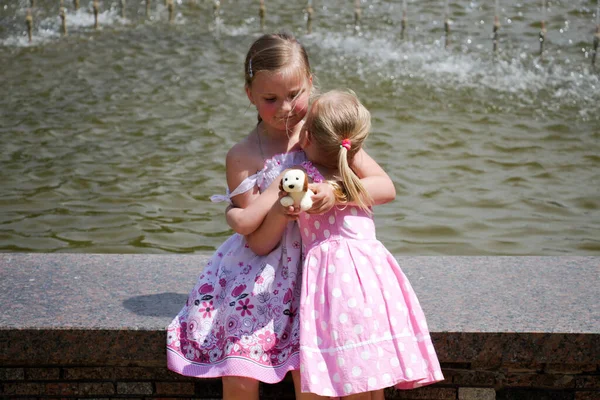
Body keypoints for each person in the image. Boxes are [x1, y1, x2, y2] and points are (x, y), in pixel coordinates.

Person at [166, 34, 396, 400]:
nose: (286, 108)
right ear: (250, 95)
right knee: (240, 358)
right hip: (265, 269)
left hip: (326, 267)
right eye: (271, 99)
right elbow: (256, 242)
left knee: (317, 368)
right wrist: (279, 210)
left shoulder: (325, 132)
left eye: (295, 94)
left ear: (310, 82)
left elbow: (384, 186)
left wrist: (336, 193)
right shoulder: (243, 157)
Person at [258, 90, 444, 399]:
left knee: (347, 371)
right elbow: (385, 186)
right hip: (369, 279)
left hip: (336, 282)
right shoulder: (347, 165)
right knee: (367, 373)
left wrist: (336, 191)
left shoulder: (317, 171)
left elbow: (387, 189)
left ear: (306, 138)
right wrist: (291, 207)